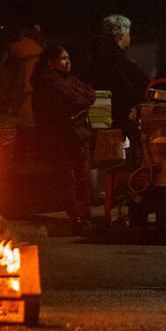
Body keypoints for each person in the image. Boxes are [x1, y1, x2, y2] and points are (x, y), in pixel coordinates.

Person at [30, 45, 96, 236]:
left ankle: (85, 217)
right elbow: (76, 99)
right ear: (50, 63)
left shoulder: (67, 79)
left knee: (83, 178)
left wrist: (83, 97)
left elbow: (89, 93)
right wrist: (82, 98)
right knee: (68, 179)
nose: (68, 62)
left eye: (69, 58)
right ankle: (77, 218)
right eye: (63, 59)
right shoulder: (47, 81)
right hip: (60, 137)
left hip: (76, 135)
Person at [90, 14, 148, 165]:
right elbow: (121, 83)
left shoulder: (104, 51)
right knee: (111, 157)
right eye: (128, 32)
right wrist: (138, 97)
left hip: (109, 110)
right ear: (121, 33)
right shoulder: (109, 53)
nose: (130, 36)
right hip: (111, 112)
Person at [0, 24, 45, 126]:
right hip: (35, 95)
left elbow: (6, 76)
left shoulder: (14, 50)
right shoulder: (41, 51)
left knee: (23, 128)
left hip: (22, 96)